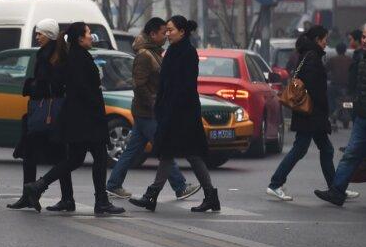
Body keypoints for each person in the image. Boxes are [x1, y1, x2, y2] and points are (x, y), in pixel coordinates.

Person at [22, 23, 124, 216]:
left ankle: (37, 186)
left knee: (74, 159)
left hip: (79, 119)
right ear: (79, 38)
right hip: (88, 119)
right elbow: (85, 90)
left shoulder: (75, 57)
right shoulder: (79, 59)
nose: (90, 37)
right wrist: (97, 102)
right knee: (99, 159)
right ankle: (101, 201)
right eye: (87, 33)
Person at [130, 16, 220, 213]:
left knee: (189, 154)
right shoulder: (172, 51)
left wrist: (169, 110)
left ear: (182, 31)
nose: (168, 34)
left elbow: (185, 87)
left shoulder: (188, 53)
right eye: (167, 30)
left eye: (171, 30)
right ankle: (153, 195)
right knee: (168, 153)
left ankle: (208, 195)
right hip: (170, 112)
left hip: (182, 113)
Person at [106, 18, 198, 202]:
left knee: (132, 150)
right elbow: (139, 85)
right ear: (153, 34)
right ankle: (179, 186)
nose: (166, 35)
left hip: (146, 110)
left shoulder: (154, 53)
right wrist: (155, 105)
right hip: (147, 111)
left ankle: (113, 184)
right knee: (165, 148)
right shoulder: (144, 55)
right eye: (163, 32)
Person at [315, 21, 366, 206]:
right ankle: (337, 192)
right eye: (364, 36)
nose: (365, 40)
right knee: (351, 155)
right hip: (363, 119)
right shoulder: (362, 58)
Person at [267, 26, 340, 201]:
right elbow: (316, 90)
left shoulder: (307, 55)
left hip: (309, 113)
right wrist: (326, 110)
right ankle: (275, 184)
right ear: (317, 40)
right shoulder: (312, 58)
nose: (326, 42)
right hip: (311, 113)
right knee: (301, 149)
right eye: (324, 39)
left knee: (326, 149)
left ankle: (337, 187)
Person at [8, 19, 74, 210]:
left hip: (47, 113)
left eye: (40, 34)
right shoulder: (49, 53)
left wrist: (32, 85)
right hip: (46, 113)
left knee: (35, 154)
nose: (37, 37)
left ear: (50, 35)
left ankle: (32, 195)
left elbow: (54, 84)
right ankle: (65, 198)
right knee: (56, 156)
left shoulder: (55, 55)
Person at [326, 41, 352, 129]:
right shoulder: (350, 60)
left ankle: (332, 112)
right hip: (347, 86)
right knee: (349, 101)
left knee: (330, 97)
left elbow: (325, 70)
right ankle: (347, 111)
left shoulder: (332, 60)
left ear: (337, 50)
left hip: (335, 86)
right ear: (345, 50)